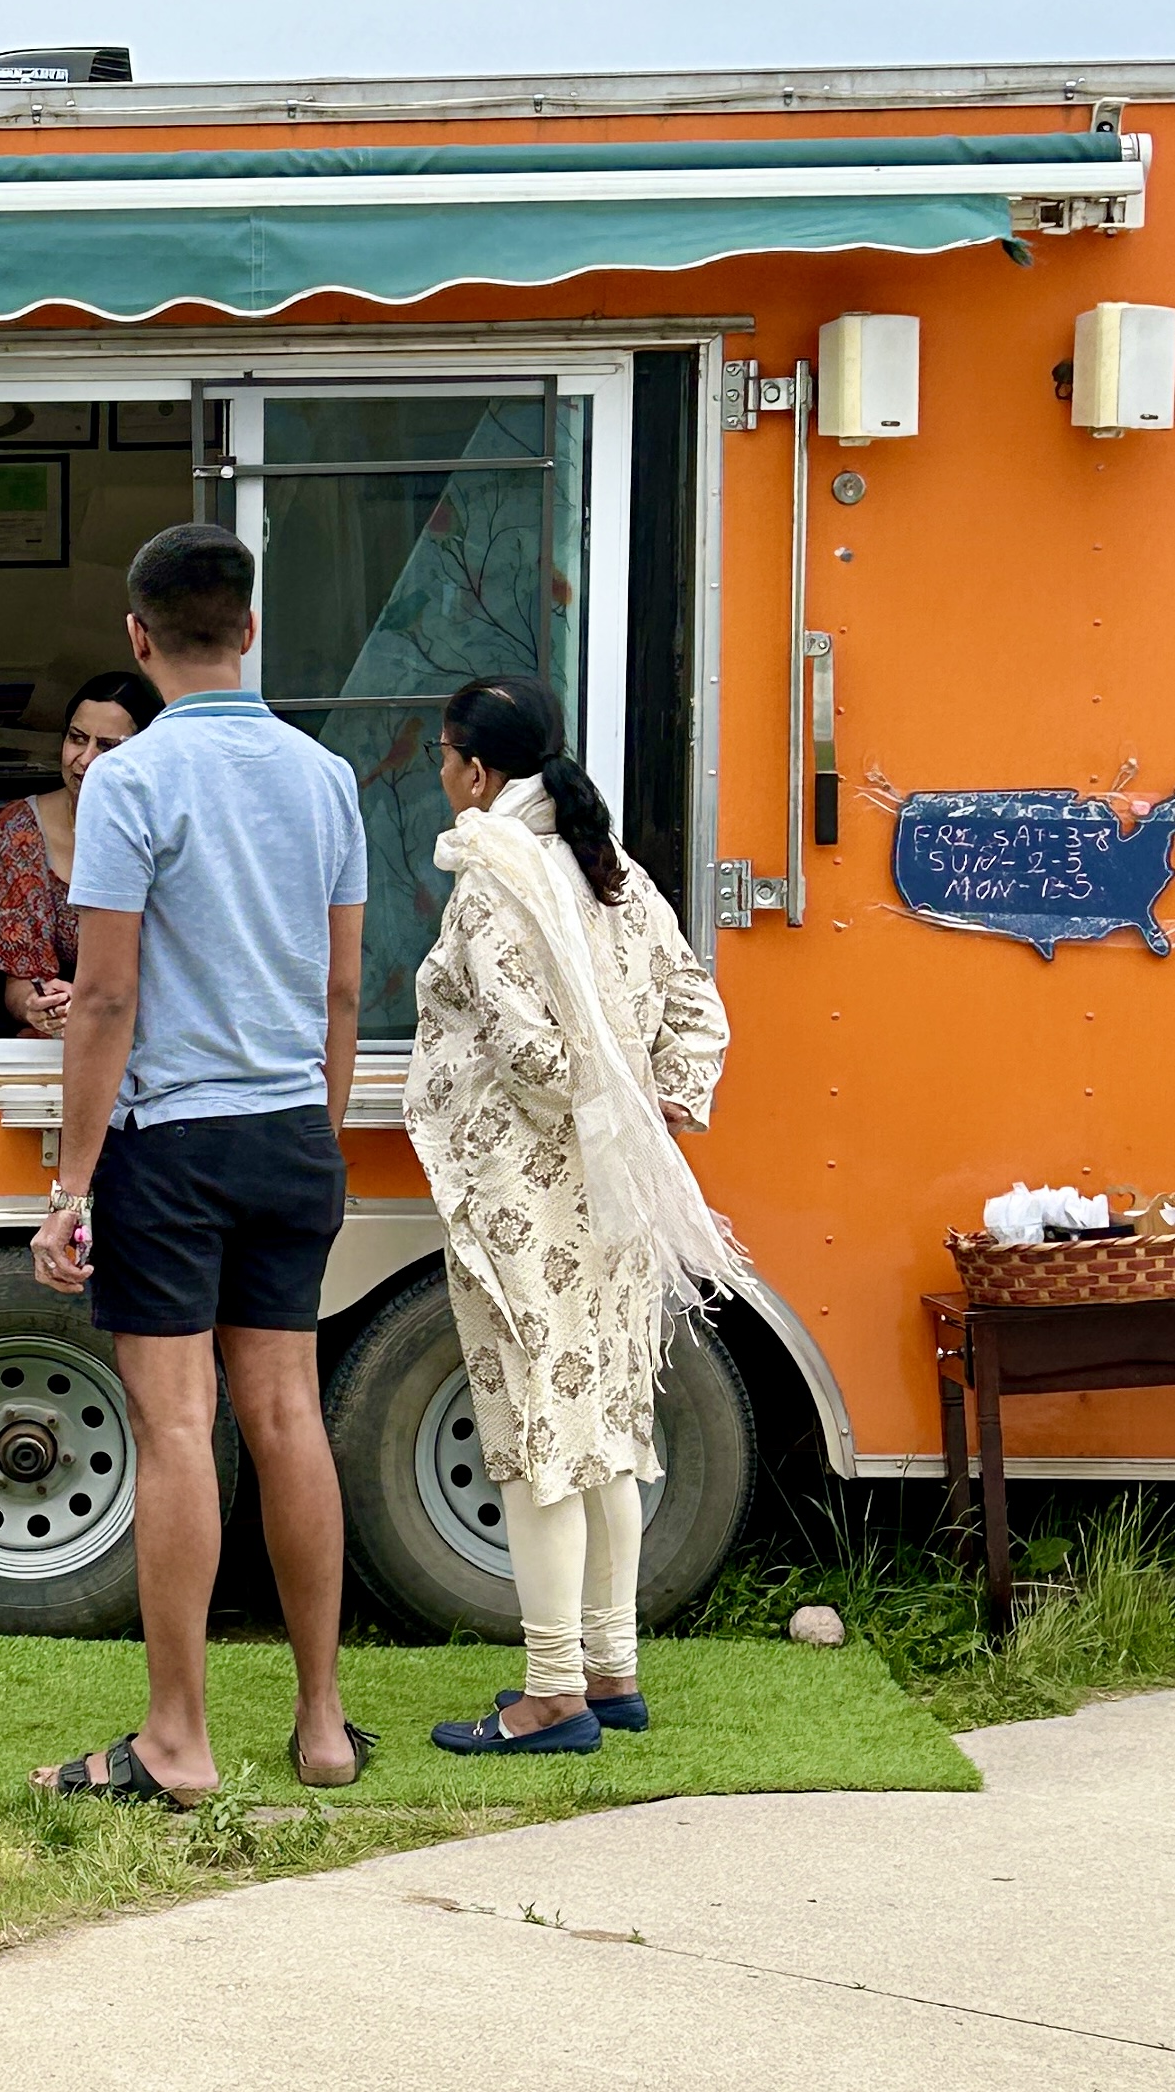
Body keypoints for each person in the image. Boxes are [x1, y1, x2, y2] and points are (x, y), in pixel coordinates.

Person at [28, 524, 372, 1805]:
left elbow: (104, 999)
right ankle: (323, 1727)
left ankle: (178, 1741)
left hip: (170, 1142)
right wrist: (319, 1129)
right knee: (289, 1416)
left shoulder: (130, 782)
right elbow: (343, 988)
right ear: (251, 630)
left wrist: (68, 1189)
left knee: (178, 1428)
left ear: (139, 638)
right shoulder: (324, 776)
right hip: (293, 1129)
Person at [402, 675, 739, 1755]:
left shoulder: (489, 879)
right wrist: (663, 1098)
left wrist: (601, 1089)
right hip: (617, 1193)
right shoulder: (612, 869)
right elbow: (695, 1002)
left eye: (446, 757)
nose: (441, 775)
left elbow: (528, 1051)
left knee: (535, 1433)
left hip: (522, 1198)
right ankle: (613, 1669)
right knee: (606, 1427)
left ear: (477, 768)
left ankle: (551, 1691)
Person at [0, 670, 161, 1037]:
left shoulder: (169, 832)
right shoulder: (18, 832)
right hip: (49, 1041)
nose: (85, 759)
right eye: (77, 739)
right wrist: (37, 1008)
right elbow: (22, 985)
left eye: (108, 747)